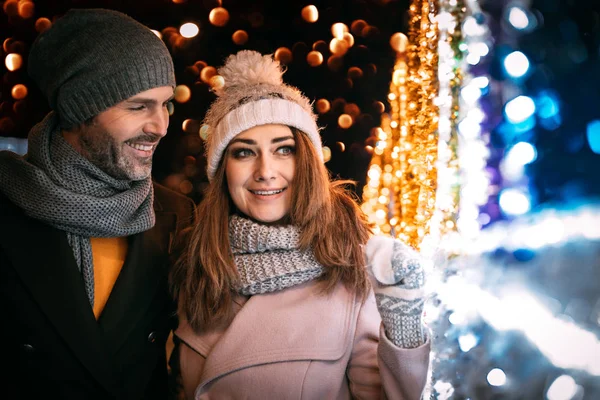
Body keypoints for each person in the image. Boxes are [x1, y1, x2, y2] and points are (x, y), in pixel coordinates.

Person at [169, 50, 431, 399]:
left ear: (306, 160)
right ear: (222, 170)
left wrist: (404, 330)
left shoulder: (352, 268)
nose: (265, 171)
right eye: (244, 152)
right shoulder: (193, 261)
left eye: (284, 150)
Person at [0, 8, 196, 400]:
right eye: (139, 106)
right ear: (78, 111)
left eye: (166, 105)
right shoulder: (7, 206)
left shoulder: (175, 215)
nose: (159, 126)